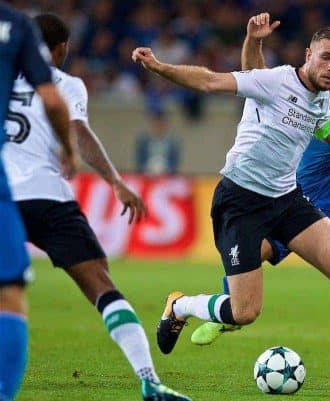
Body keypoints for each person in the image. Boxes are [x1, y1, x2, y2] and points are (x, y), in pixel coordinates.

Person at [132, 20, 330, 393]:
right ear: (309, 56)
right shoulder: (276, 81)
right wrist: (161, 67)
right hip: (241, 201)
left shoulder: (321, 99)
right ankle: (181, 306)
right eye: (326, 59)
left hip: (287, 199)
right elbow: (211, 81)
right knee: (245, 312)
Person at [2, 13, 191, 401]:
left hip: (5, 197)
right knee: (102, 286)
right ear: (61, 48)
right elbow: (80, 132)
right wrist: (116, 182)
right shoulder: (65, 83)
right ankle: (148, 380)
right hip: (48, 195)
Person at [0, 4, 76, 401]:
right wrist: (69, 149)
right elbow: (51, 97)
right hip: (9, 183)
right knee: (9, 290)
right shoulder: (14, 27)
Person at [135, 111, 181, 175]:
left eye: (162, 124)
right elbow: (139, 162)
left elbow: (174, 164)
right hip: (146, 175)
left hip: (166, 176)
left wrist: (166, 171)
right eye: (157, 124)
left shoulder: (173, 143)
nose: (159, 127)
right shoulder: (143, 142)